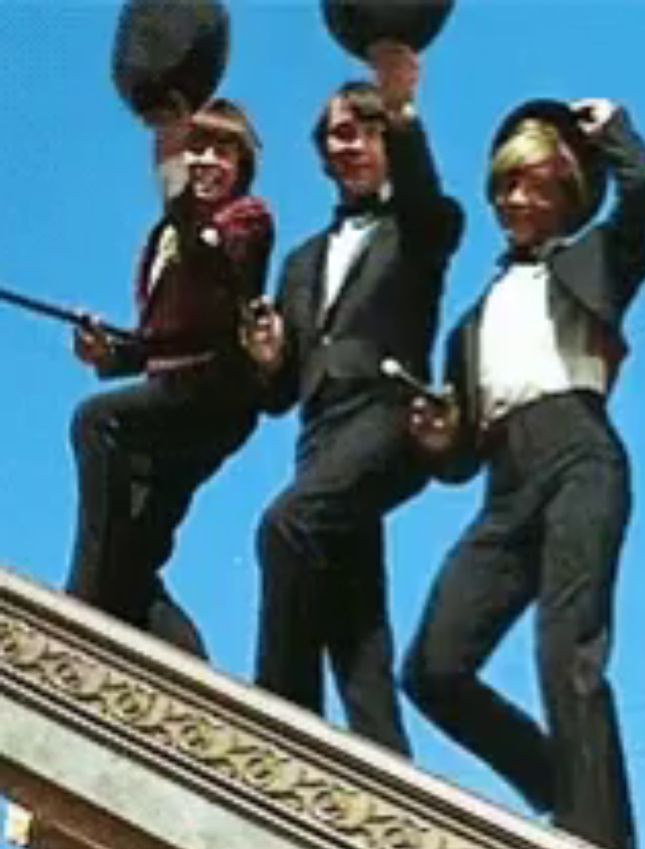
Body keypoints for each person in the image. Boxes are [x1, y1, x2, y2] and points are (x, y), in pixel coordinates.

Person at [401, 97, 645, 849]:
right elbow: (458, 459)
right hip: (505, 481)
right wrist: (440, 437)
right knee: (433, 666)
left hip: (581, 454)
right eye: (508, 187)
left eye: (538, 187)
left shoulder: (593, 261)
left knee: (567, 658)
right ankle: (559, 782)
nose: (519, 201)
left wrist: (615, 128)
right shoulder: (471, 321)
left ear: (570, 196)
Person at [242, 43, 462, 756]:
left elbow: (429, 202)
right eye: (338, 134)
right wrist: (271, 359)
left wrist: (401, 108)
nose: (351, 145)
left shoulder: (420, 226)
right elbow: (278, 395)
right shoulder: (302, 259)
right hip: (319, 435)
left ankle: (278, 729)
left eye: (364, 131)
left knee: (284, 528)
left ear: (387, 142)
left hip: (390, 417)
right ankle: (393, 781)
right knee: (355, 627)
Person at [67, 98, 274, 657]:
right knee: (132, 558)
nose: (205, 161)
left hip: (213, 396)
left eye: (220, 151)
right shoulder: (166, 234)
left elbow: (216, 279)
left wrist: (175, 180)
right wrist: (109, 354)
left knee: (96, 422)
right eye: (196, 147)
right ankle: (194, 675)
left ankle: (78, 604)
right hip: (171, 392)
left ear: (241, 166)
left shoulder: (246, 220)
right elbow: (163, 340)